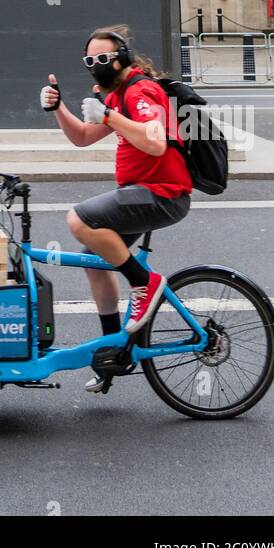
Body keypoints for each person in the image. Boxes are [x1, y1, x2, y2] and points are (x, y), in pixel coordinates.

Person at [39, 25, 192, 393]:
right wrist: (58, 107)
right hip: (142, 192)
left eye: (104, 58)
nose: (96, 65)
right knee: (94, 261)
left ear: (122, 58)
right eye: (90, 60)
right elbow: (82, 138)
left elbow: (155, 143)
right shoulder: (119, 96)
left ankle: (144, 283)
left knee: (79, 218)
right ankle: (112, 353)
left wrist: (108, 115)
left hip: (162, 193)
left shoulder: (140, 91)